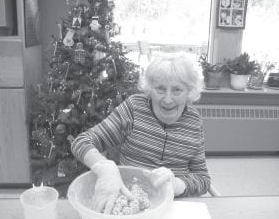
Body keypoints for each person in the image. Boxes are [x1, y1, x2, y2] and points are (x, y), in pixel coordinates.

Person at [71, 52, 211, 214]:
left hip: (173, 207)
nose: (167, 99)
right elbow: (81, 142)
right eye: (160, 89)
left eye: (177, 90)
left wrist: (177, 184)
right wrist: (105, 167)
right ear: (150, 89)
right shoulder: (134, 108)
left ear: (189, 92)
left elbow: (203, 179)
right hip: (129, 203)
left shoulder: (194, 122)